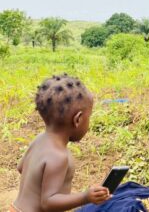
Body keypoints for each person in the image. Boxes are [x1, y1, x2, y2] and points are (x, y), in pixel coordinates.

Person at [12, 74, 111, 212]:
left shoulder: (39, 139)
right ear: (78, 119)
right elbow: (48, 202)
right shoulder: (59, 156)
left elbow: (21, 167)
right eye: (89, 117)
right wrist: (85, 197)